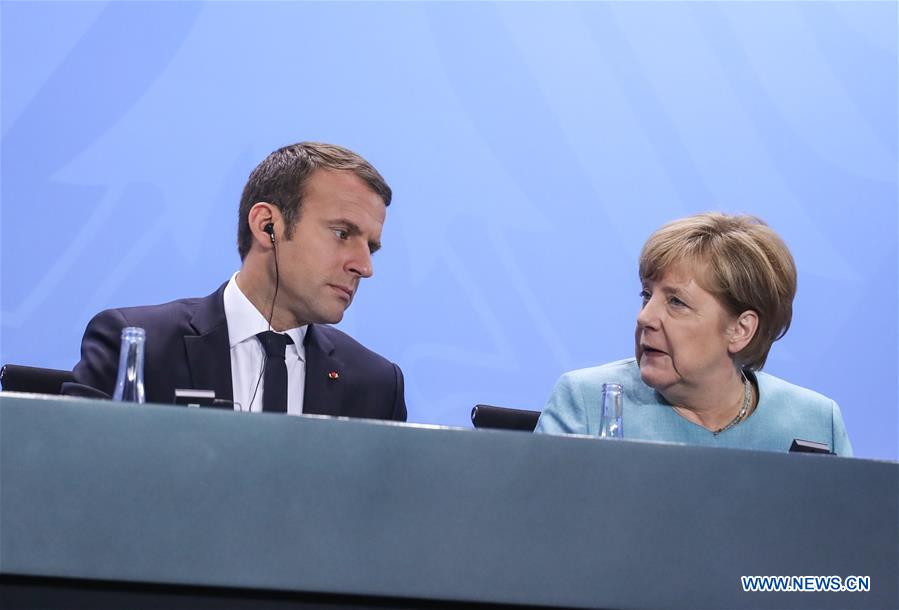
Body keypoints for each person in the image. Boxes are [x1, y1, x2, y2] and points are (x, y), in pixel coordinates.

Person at [64, 142, 406, 421]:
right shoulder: (138, 344)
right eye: (342, 233)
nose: (364, 266)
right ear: (266, 225)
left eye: (371, 248)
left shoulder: (376, 386)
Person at [535, 212, 851, 455]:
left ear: (740, 330)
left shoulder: (817, 422)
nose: (645, 317)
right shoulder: (586, 402)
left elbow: (847, 538)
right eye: (647, 295)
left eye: (676, 302)